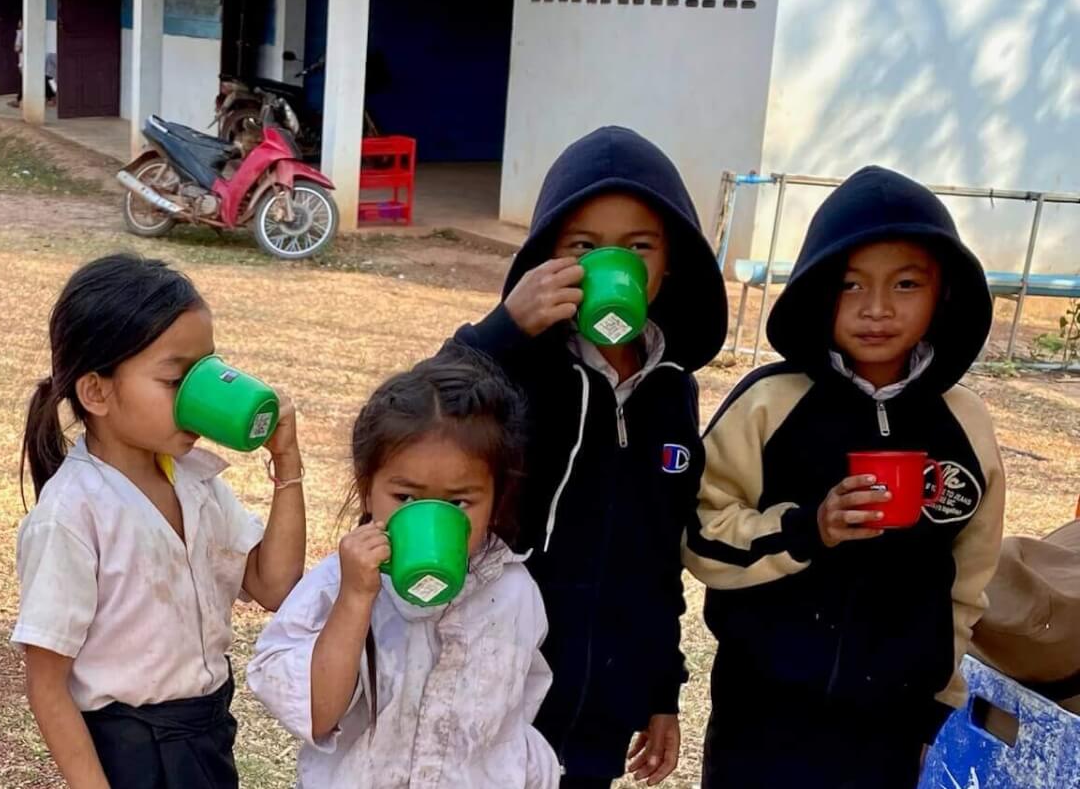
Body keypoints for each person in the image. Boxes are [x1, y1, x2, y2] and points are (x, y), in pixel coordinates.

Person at [683, 166, 1006, 789]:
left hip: (891, 725)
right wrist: (809, 530)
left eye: (906, 284)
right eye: (850, 285)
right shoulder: (768, 404)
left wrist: (937, 704)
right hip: (763, 716)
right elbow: (700, 533)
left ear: (943, 293)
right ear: (815, 291)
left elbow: (969, 580)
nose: (876, 309)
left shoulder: (964, 423)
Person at [444, 125, 728, 787]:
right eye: (584, 246)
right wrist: (501, 331)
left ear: (668, 263)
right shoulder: (515, 368)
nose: (612, 262)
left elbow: (661, 552)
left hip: (606, 699)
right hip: (499, 686)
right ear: (547, 257)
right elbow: (418, 421)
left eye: (638, 246)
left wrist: (661, 688)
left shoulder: (672, 390)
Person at [15, 253, 308, 788]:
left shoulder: (196, 481)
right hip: (130, 756)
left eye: (206, 373)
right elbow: (47, 684)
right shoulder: (72, 514)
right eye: (177, 380)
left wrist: (287, 466)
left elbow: (274, 586)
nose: (199, 396)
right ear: (96, 392)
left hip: (206, 739)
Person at [247, 349, 561, 788]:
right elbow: (317, 714)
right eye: (406, 499)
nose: (431, 518)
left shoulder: (513, 591)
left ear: (497, 499)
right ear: (367, 489)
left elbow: (510, 727)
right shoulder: (336, 583)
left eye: (458, 502)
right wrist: (355, 598)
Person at [11, 21, 57, 109]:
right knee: (46, 78)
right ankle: (52, 96)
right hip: (41, 57)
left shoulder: (21, 32)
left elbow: (17, 48)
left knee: (25, 80)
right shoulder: (35, 31)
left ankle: (20, 99)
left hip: (27, 60)